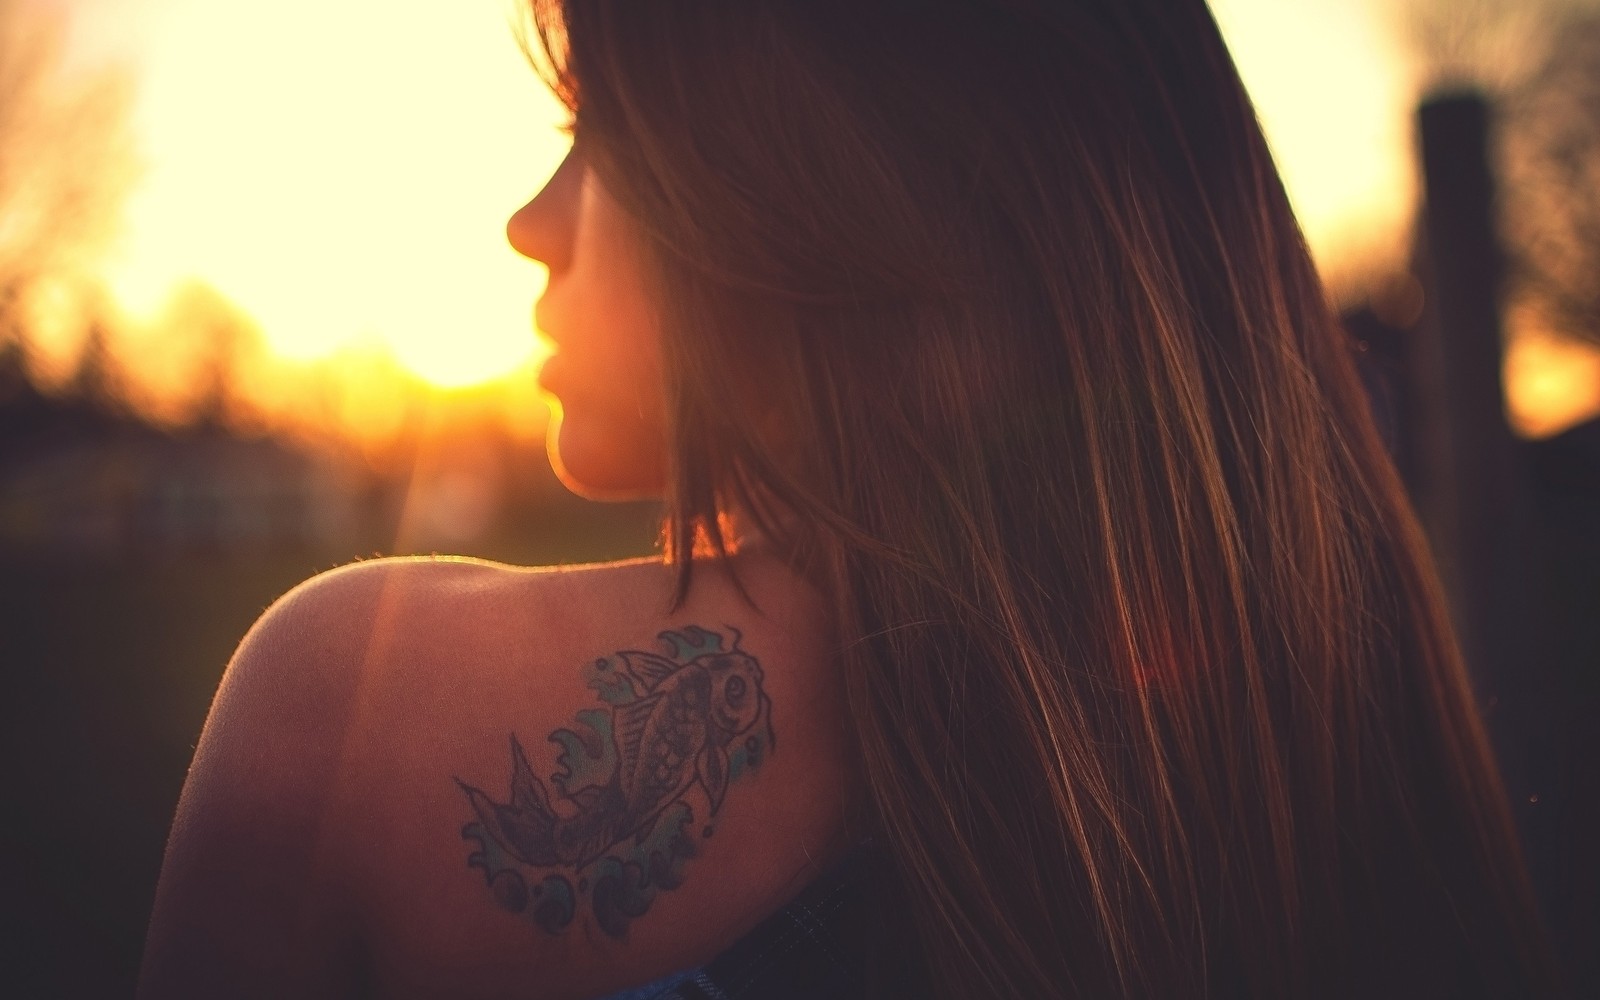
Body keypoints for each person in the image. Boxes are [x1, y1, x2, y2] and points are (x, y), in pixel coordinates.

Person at [139, 0, 1563, 997]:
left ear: (813, 170)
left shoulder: (355, 718)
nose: (533, 219)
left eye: (605, 126)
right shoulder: (1336, 739)